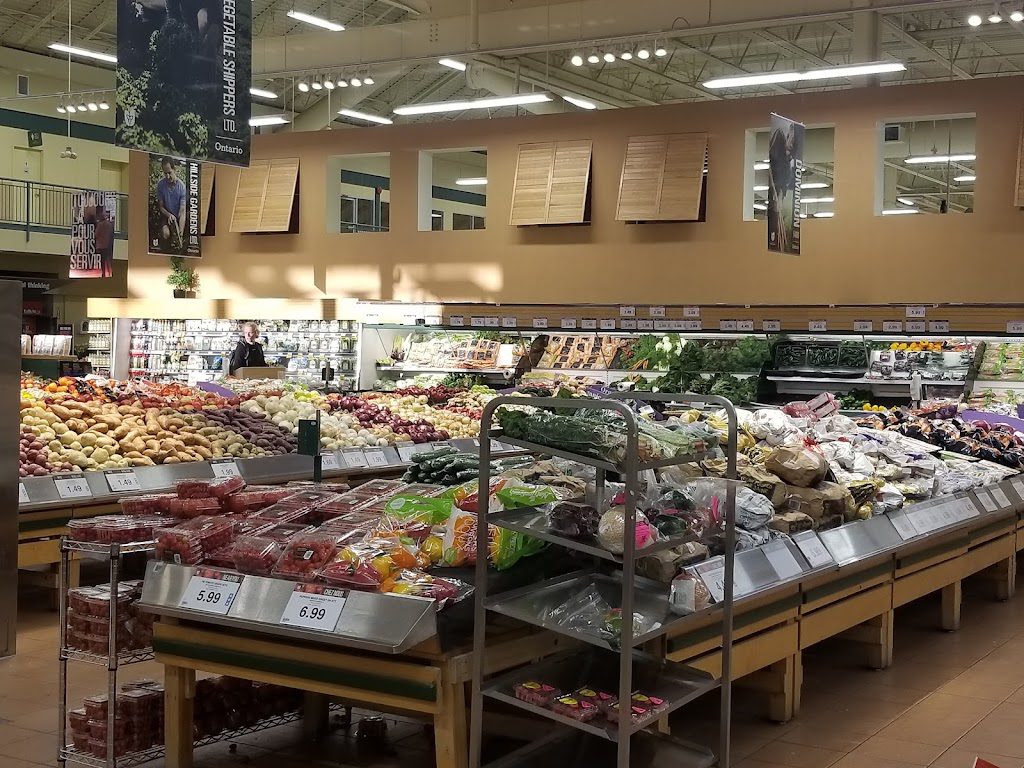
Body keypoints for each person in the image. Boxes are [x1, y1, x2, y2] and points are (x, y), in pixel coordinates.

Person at [156, 157, 187, 252]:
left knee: (179, 238)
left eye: (169, 173)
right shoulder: (161, 185)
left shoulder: (182, 187)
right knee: (166, 234)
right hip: (166, 215)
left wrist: (180, 234)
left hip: (177, 217)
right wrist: (169, 215)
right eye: (165, 173)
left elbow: (182, 212)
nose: (167, 176)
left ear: (174, 169)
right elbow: (161, 207)